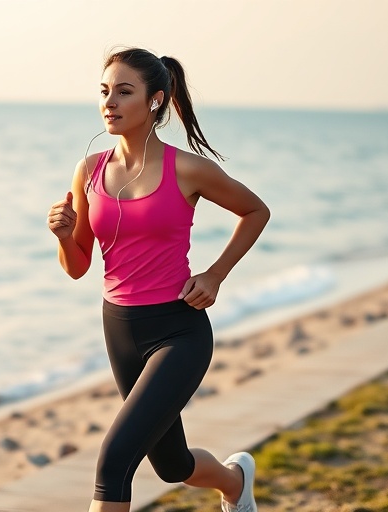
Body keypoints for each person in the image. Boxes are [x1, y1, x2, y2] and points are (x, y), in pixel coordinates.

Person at [47, 47, 270, 512]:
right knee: (171, 464)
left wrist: (215, 274)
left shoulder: (187, 169)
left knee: (113, 462)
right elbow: (77, 266)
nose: (110, 102)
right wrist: (66, 237)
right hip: (120, 330)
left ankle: (233, 482)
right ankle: (234, 481)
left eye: (124, 92)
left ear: (155, 100)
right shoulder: (89, 172)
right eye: (105, 91)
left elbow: (255, 211)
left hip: (178, 330)